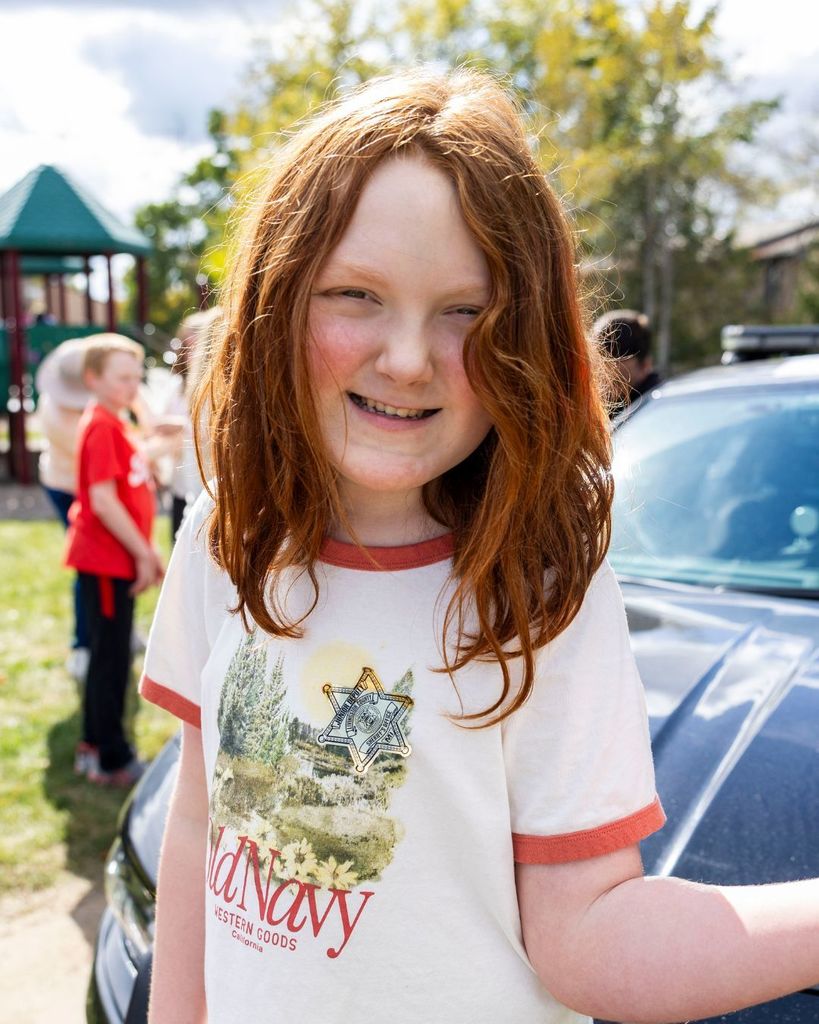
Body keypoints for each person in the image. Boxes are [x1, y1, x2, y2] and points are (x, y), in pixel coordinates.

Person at [140, 69, 819, 1024]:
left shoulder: (542, 597)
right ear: (274, 298)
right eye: (355, 294)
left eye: (465, 311)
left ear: (528, 343)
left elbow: (591, 938)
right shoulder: (227, 534)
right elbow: (200, 822)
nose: (409, 357)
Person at [65, 334, 164, 786]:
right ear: (93, 379)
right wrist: (143, 552)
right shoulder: (101, 426)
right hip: (106, 562)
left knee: (113, 653)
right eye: (122, 377)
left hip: (118, 560)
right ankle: (110, 756)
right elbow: (103, 502)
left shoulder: (117, 421)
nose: (133, 385)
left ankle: (95, 744)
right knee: (110, 660)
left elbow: (144, 463)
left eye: (137, 376)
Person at [35, 337, 96, 681]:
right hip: (69, 488)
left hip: (83, 486)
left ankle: (115, 625)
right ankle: (82, 644)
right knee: (87, 566)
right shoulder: (60, 417)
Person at [593, 308, 662, 414]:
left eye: (616, 355)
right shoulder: (598, 408)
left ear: (644, 364)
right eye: (598, 357)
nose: (604, 368)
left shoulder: (659, 406)